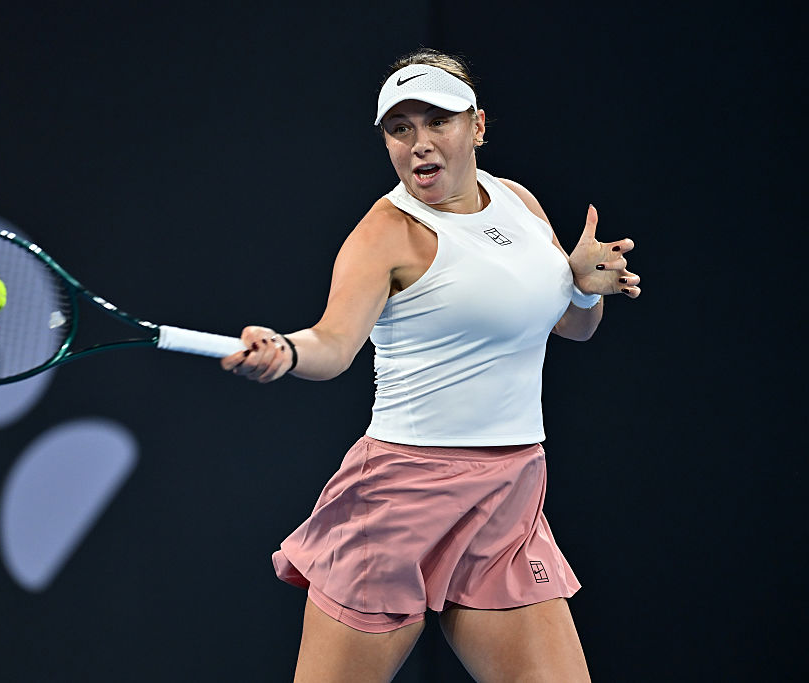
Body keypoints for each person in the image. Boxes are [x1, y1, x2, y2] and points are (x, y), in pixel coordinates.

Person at [221, 48, 640, 683]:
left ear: (475, 126)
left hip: (510, 495)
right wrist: (288, 350)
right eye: (401, 128)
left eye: (437, 122)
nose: (419, 143)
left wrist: (584, 288)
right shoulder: (384, 234)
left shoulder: (520, 205)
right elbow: (333, 344)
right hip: (400, 497)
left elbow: (571, 327)